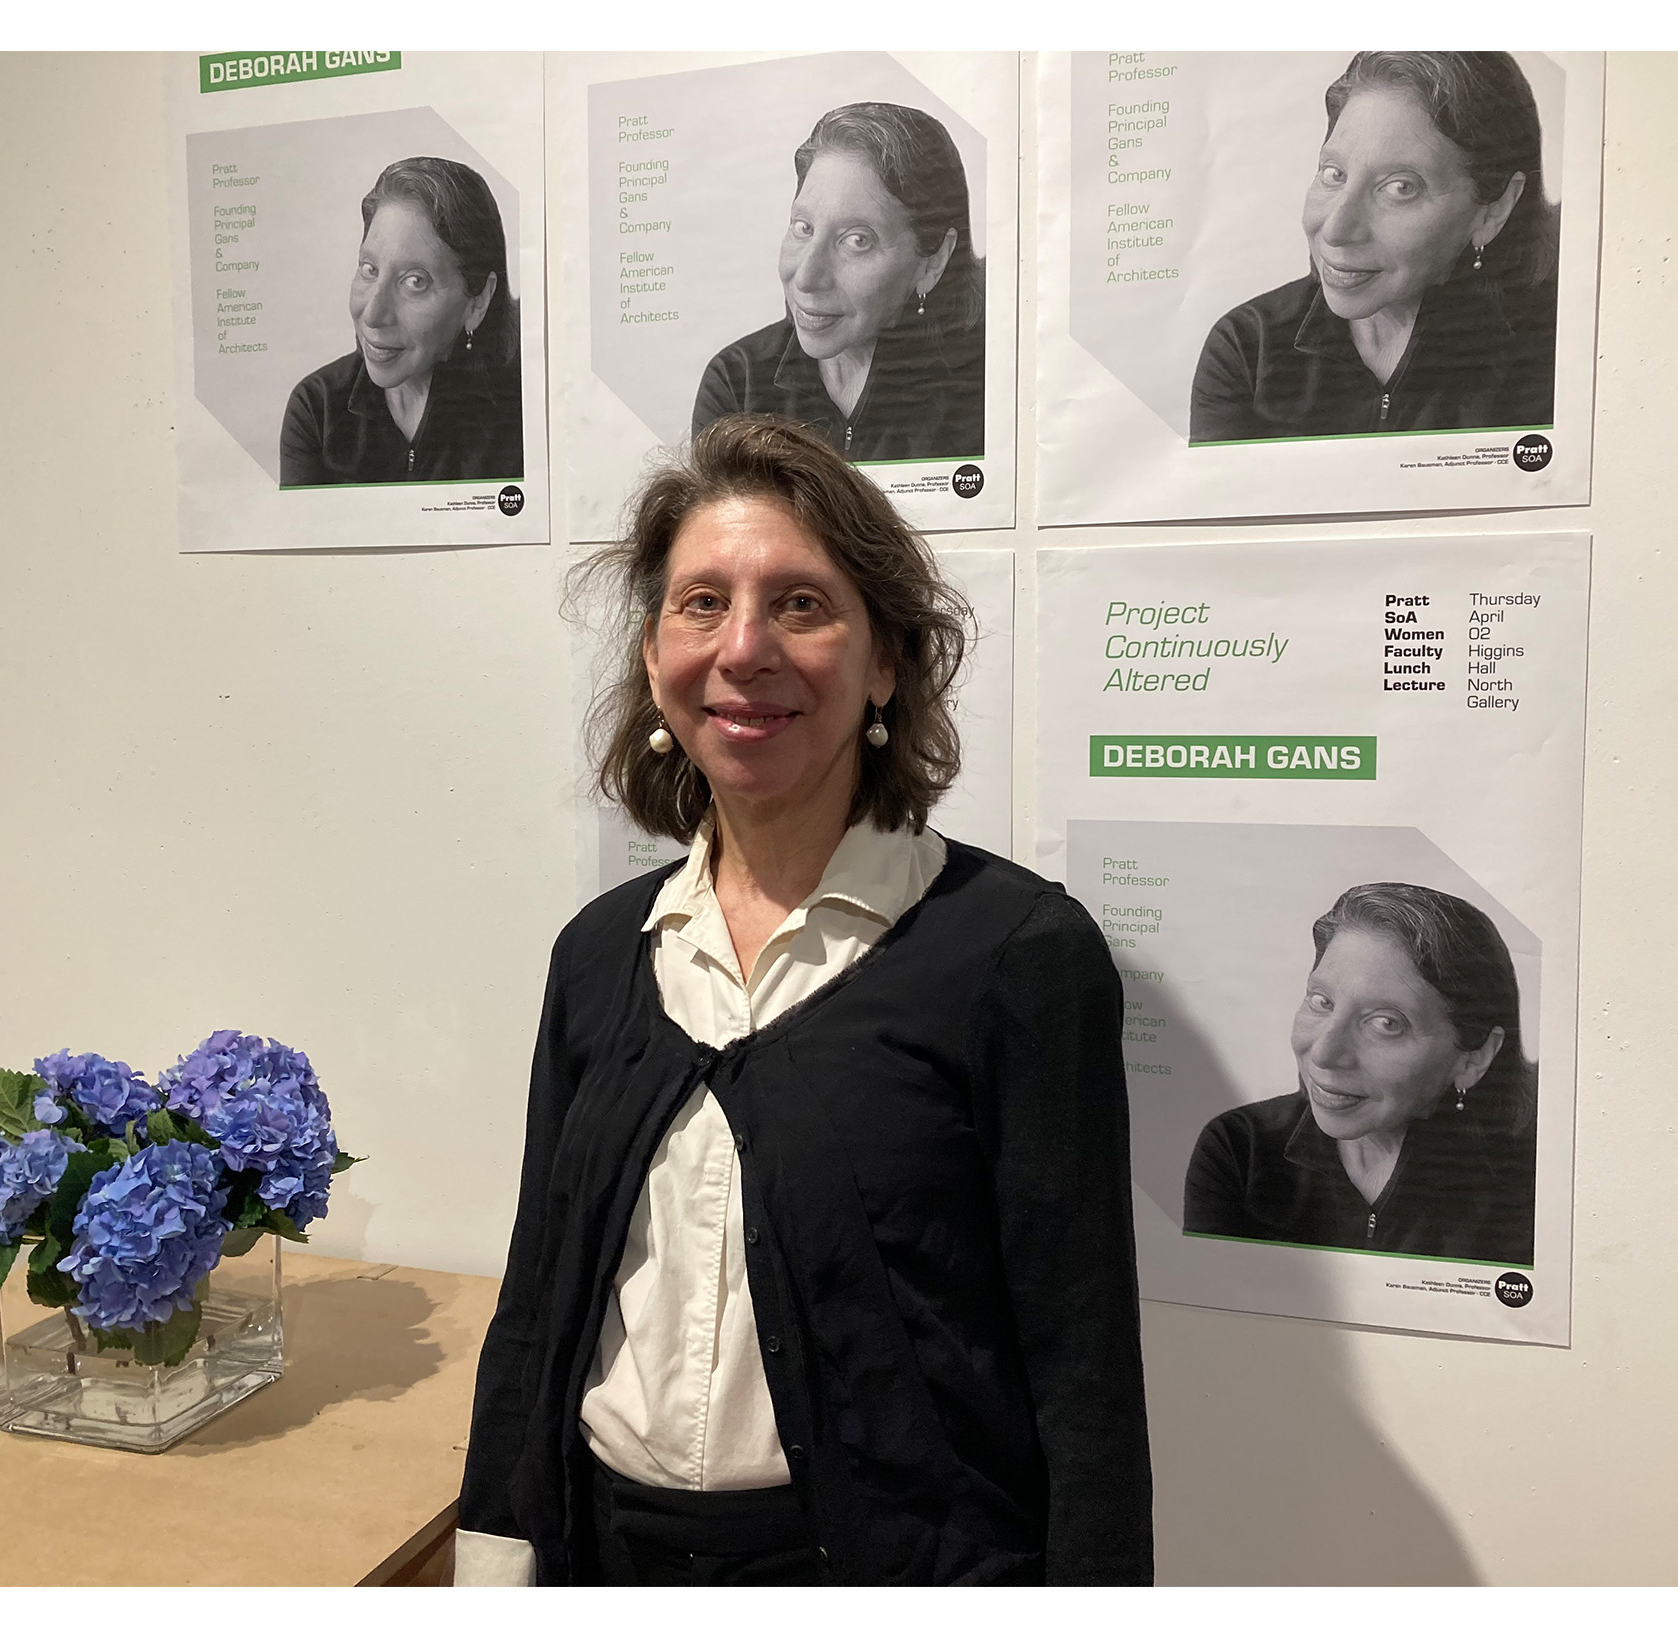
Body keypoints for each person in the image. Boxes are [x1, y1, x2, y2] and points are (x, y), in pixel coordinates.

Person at [456, 416, 1151, 1585]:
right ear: (649, 653)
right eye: (699, 604)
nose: (742, 650)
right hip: (606, 1559)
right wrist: (489, 1573)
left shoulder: (1015, 955)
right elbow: (537, 1300)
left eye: (799, 605)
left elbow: (1079, 1368)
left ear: (885, 660)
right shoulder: (599, 955)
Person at [1190, 52, 1560, 444]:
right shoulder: (1248, 349)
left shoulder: (1553, 351)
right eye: (1334, 174)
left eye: (1401, 187)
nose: (1335, 230)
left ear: (1494, 209)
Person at [1184, 882, 1537, 1264]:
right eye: (1322, 1002)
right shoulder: (1240, 1151)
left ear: (1473, 1059)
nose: (1323, 1052)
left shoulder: (1531, 1180)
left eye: (1386, 1023)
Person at [692, 103, 986, 463]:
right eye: (803, 228)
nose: (805, 277)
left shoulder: (986, 385)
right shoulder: (739, 384)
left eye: (857, 240)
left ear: (933, 261)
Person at [280, 156, 523, 487]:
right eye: (370, 269)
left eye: (415, 281)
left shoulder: (526, 410)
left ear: (477, 300)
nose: (372, 314)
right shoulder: (317, 410)